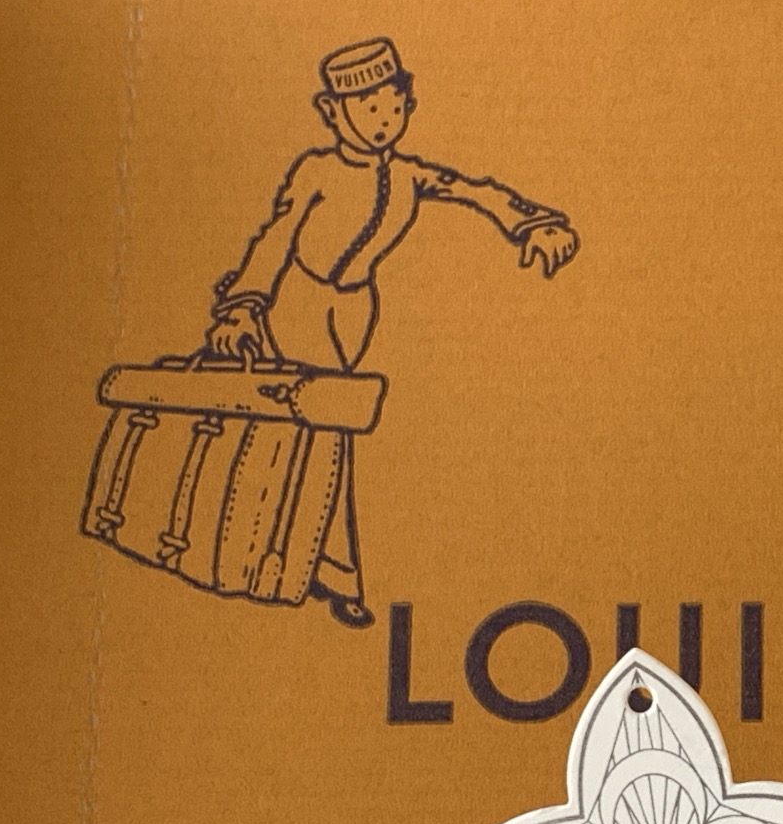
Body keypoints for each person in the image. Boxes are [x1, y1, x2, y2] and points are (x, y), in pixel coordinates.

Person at [204, 37, 578, 628]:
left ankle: (297, 558)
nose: (382, 119)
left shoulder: (406, 175)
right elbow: (276, 238)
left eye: (392, 105)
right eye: (367, 107)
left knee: (323, 429)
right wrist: (243, 307)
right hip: (299, 301)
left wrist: (534, 223)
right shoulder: (317, 170)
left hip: (355, 309)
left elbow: (474, 191)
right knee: (328, 428)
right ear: (332, 112)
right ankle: (330, 571)